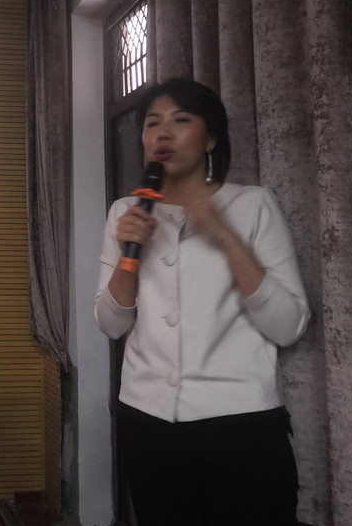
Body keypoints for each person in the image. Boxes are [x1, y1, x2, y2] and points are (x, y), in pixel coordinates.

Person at [94, 78, 310, 526]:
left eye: (181, 120)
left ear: (211, 137)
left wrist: (225, 236)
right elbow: (111, 325)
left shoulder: (253, 205)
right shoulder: (124, 212)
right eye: (152, 123)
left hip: (241, 424)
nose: (163, 133)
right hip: (147, 421)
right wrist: (128, 259)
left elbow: (289, 325)